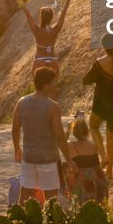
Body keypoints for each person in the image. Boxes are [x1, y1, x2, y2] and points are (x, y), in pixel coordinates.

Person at [12, 68, 73, 203]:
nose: (55, 85)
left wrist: (17, 148)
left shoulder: (21, 102)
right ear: (46, 85)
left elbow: (15, 129)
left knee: (24, 196)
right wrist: (69, 160)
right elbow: (60, 137)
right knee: (50, 200)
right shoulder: (52, 107)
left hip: (29, 158)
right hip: (48, 160)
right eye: (53, 83)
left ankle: (17, 221)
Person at [83, 33, 113, 180]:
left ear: (103, 46)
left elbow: (86, 80)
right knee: (111, 135)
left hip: (102, 103)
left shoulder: (99, 62)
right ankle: (109, 172)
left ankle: (103, 156)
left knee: (93, 126)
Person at [19, 0, 74, 76]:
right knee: (52, 86)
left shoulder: (37, 30)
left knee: (39, 85)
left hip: (39, 59)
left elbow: (27, 13)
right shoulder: (55, 29)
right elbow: (64, 12)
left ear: (41, 17)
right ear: (51, 17)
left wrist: (20, 1)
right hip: (52, 59)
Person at [66, 117, 107, 204]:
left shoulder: (71, 145)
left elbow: (61, 145)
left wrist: (68, 130)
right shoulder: (93, 144)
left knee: (67, 169)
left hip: (83, 181)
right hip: (97, 180)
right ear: (86, 130)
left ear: (75, 132)